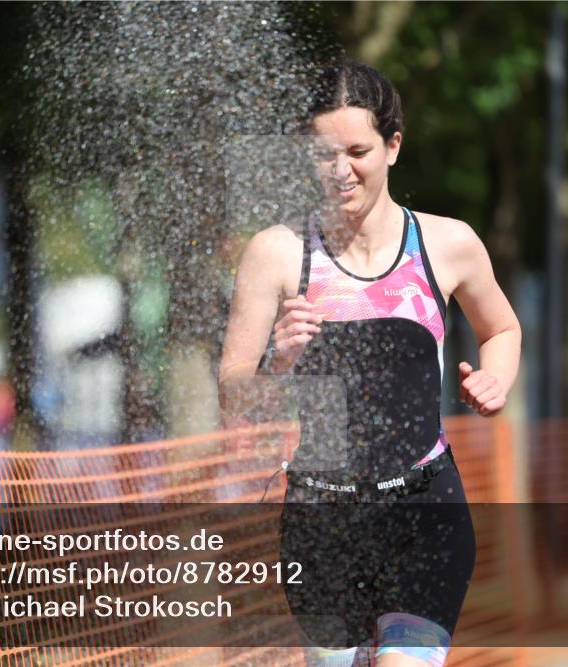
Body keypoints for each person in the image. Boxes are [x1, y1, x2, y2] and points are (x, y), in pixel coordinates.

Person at [218, 61, 521, 667]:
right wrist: (278, 362)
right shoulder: (277, 254)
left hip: (423, 509)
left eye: (357, 150)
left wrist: (496, 379)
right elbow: (233, 396)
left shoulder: (447, 243)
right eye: (324, 154)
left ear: (393, 146)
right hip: (322, 520)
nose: (340, 170)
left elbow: (503, 328)